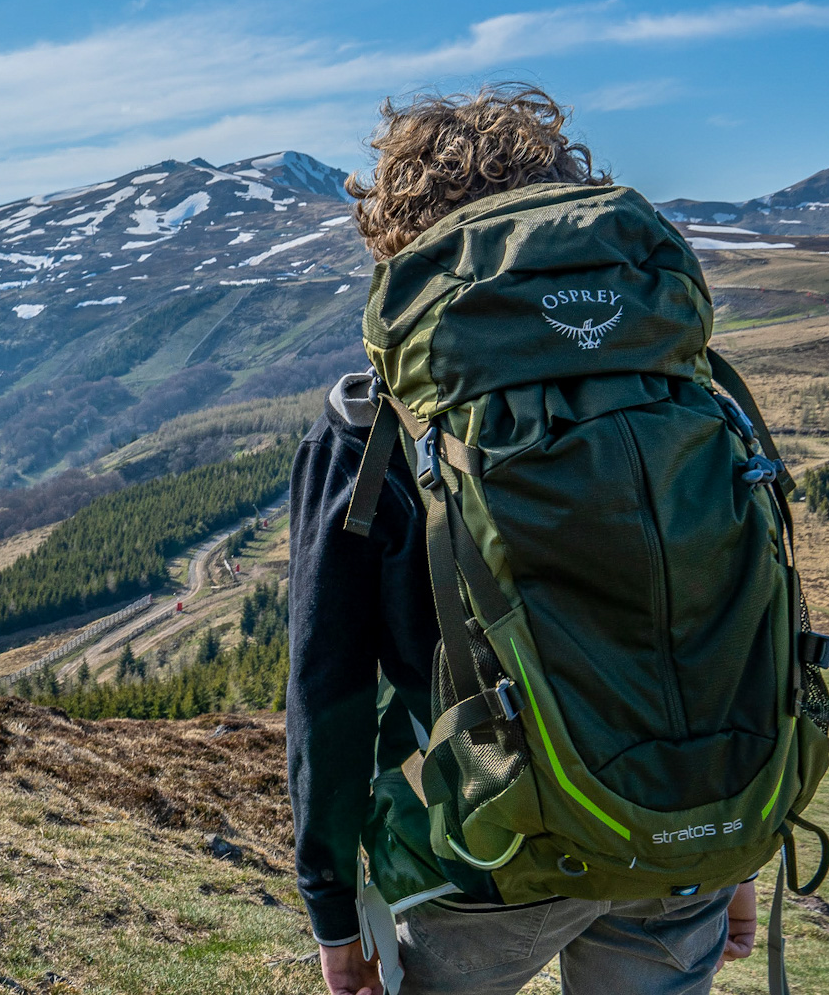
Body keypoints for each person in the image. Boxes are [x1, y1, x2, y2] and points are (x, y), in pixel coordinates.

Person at [287, 85, 763, 995]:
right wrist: (733, 855)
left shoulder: (372, 424)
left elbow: (328, 687)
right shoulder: (683, 388)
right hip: (687, 830)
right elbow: (723, 613)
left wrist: (332, 911)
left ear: (400, 237)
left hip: (483, 850)